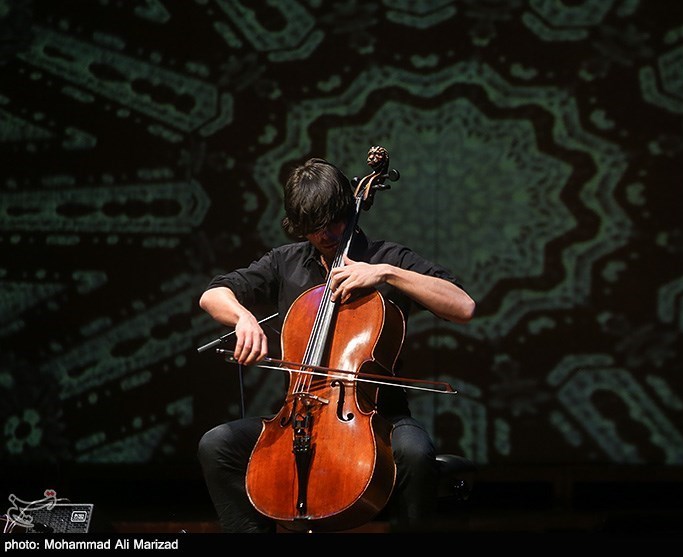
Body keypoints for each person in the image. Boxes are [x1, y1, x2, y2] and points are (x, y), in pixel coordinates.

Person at [196, 156, 475, 533]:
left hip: (379, 416)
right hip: (299, 415)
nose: (326, 234)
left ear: (348, 209)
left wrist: (386, 274)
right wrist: (242, 318)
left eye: (333, 222)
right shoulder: (285, 262)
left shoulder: (387, 259)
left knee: (415, 452)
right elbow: (213, 294)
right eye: (313, 228)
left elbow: (463, 306)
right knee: (217, 444)